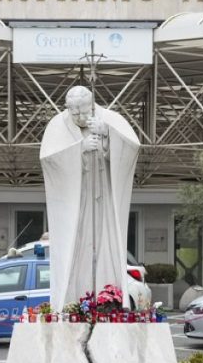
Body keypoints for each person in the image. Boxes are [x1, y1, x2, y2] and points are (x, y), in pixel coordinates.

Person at [40, 85, 140, 311]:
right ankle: (73, 304)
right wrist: (80, 149)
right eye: (73, 112)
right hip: (77, 201)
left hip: (104, 199)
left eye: (83, 112)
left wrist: (107, 134)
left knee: (105, 244)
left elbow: (132, 148)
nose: (78, 117)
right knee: (77, 246)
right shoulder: (57, 125)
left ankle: (107, 299)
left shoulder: (111, 119)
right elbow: (49, 160)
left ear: (92, 106)